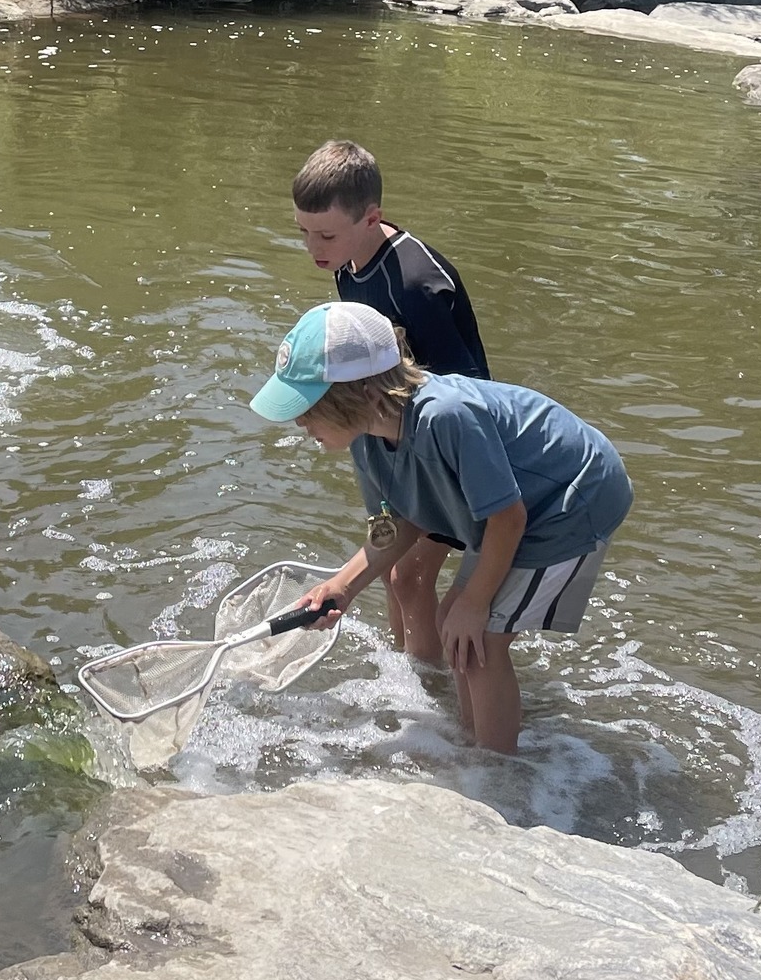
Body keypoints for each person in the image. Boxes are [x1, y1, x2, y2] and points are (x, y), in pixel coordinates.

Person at [249, 301, 630, 753]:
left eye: (309, 407)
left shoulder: (445, 416)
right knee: (457, 624)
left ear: (362, 392)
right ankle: (473, 741)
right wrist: (342, 586)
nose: (299, 422)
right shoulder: (365, 438)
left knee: (480, 634)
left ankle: (497, 773)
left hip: (571, 497)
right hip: (515, 508)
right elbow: (396, 523)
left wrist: (475, 601)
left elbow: (508, 518)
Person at [292, 139, 489, 662]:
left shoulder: (418, 284)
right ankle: (405, 671)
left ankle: (431, 700)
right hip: (387, 436)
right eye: (304, 233)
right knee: (390, 573)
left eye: (326, 234)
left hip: (443, 447)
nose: (314, 246)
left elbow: (466, 389)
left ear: (371, 217)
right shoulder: (344, 261)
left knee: (407, 573)